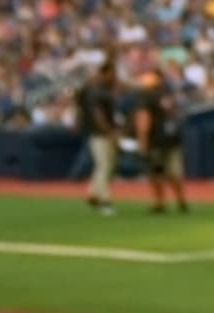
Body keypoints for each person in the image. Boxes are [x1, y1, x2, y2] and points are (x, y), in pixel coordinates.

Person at [134, 69, 189, 214]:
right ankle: (181, 199)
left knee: (156, 171)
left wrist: (142, 143)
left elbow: (144, 120)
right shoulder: (169, 94)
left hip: (156, 140)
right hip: (172, 138)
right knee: (174, 170)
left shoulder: (146, 96)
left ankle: (160, 201)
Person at [76, 60, 122, 215]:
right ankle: (104, 200)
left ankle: (93, 193)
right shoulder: (96, 91)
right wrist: (108, 131)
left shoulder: (103, 90)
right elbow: (98, 114)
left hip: (104, 132)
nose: (114, 76)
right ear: (104, 73)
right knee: (104, 165)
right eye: (112, 73)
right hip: (99, 133)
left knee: (106, 165)